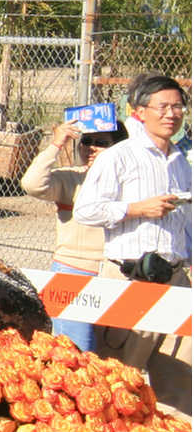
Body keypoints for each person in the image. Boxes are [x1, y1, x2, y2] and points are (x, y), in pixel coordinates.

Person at [72, 74, 191, 286]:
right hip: (128, 278)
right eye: (162, 107)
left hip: (173, 277)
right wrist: (137, 209)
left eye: (177, 107)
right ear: (141, 113)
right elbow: (85, 211)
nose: (171, 114)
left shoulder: (181, 163)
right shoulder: (117, 156)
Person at [20, 118, 125, 349]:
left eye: (101, 142)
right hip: (72, 271)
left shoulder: (130, 183)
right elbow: (32, 184)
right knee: (75, 351)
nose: (91, 147)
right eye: (86, 141)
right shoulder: (70, 178)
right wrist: (56, 145)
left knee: (112, 357)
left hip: (115, 274)